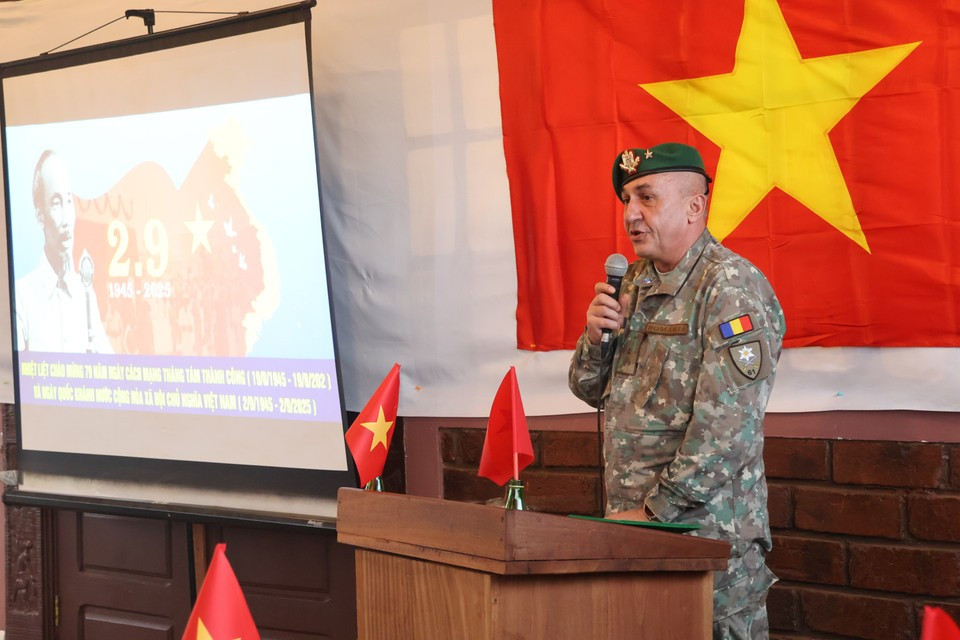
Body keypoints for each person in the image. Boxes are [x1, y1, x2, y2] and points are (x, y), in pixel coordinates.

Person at [569, 142, 785, 639]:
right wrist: (594, 336)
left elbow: (728, 429)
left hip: (703, 540)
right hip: (638, 537)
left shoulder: (728, 287)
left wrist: (651, 513)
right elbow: (588, 389)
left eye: (646, 197)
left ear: (695, 205)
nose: (631, 215)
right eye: (626, 200)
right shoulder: (635, 283)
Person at [16, 150, 112, 353]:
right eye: (56, 203)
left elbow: (109, 364)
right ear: (40, 216)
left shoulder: (85, 293)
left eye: (69, 201)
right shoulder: (22, 297)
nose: (67, 219)